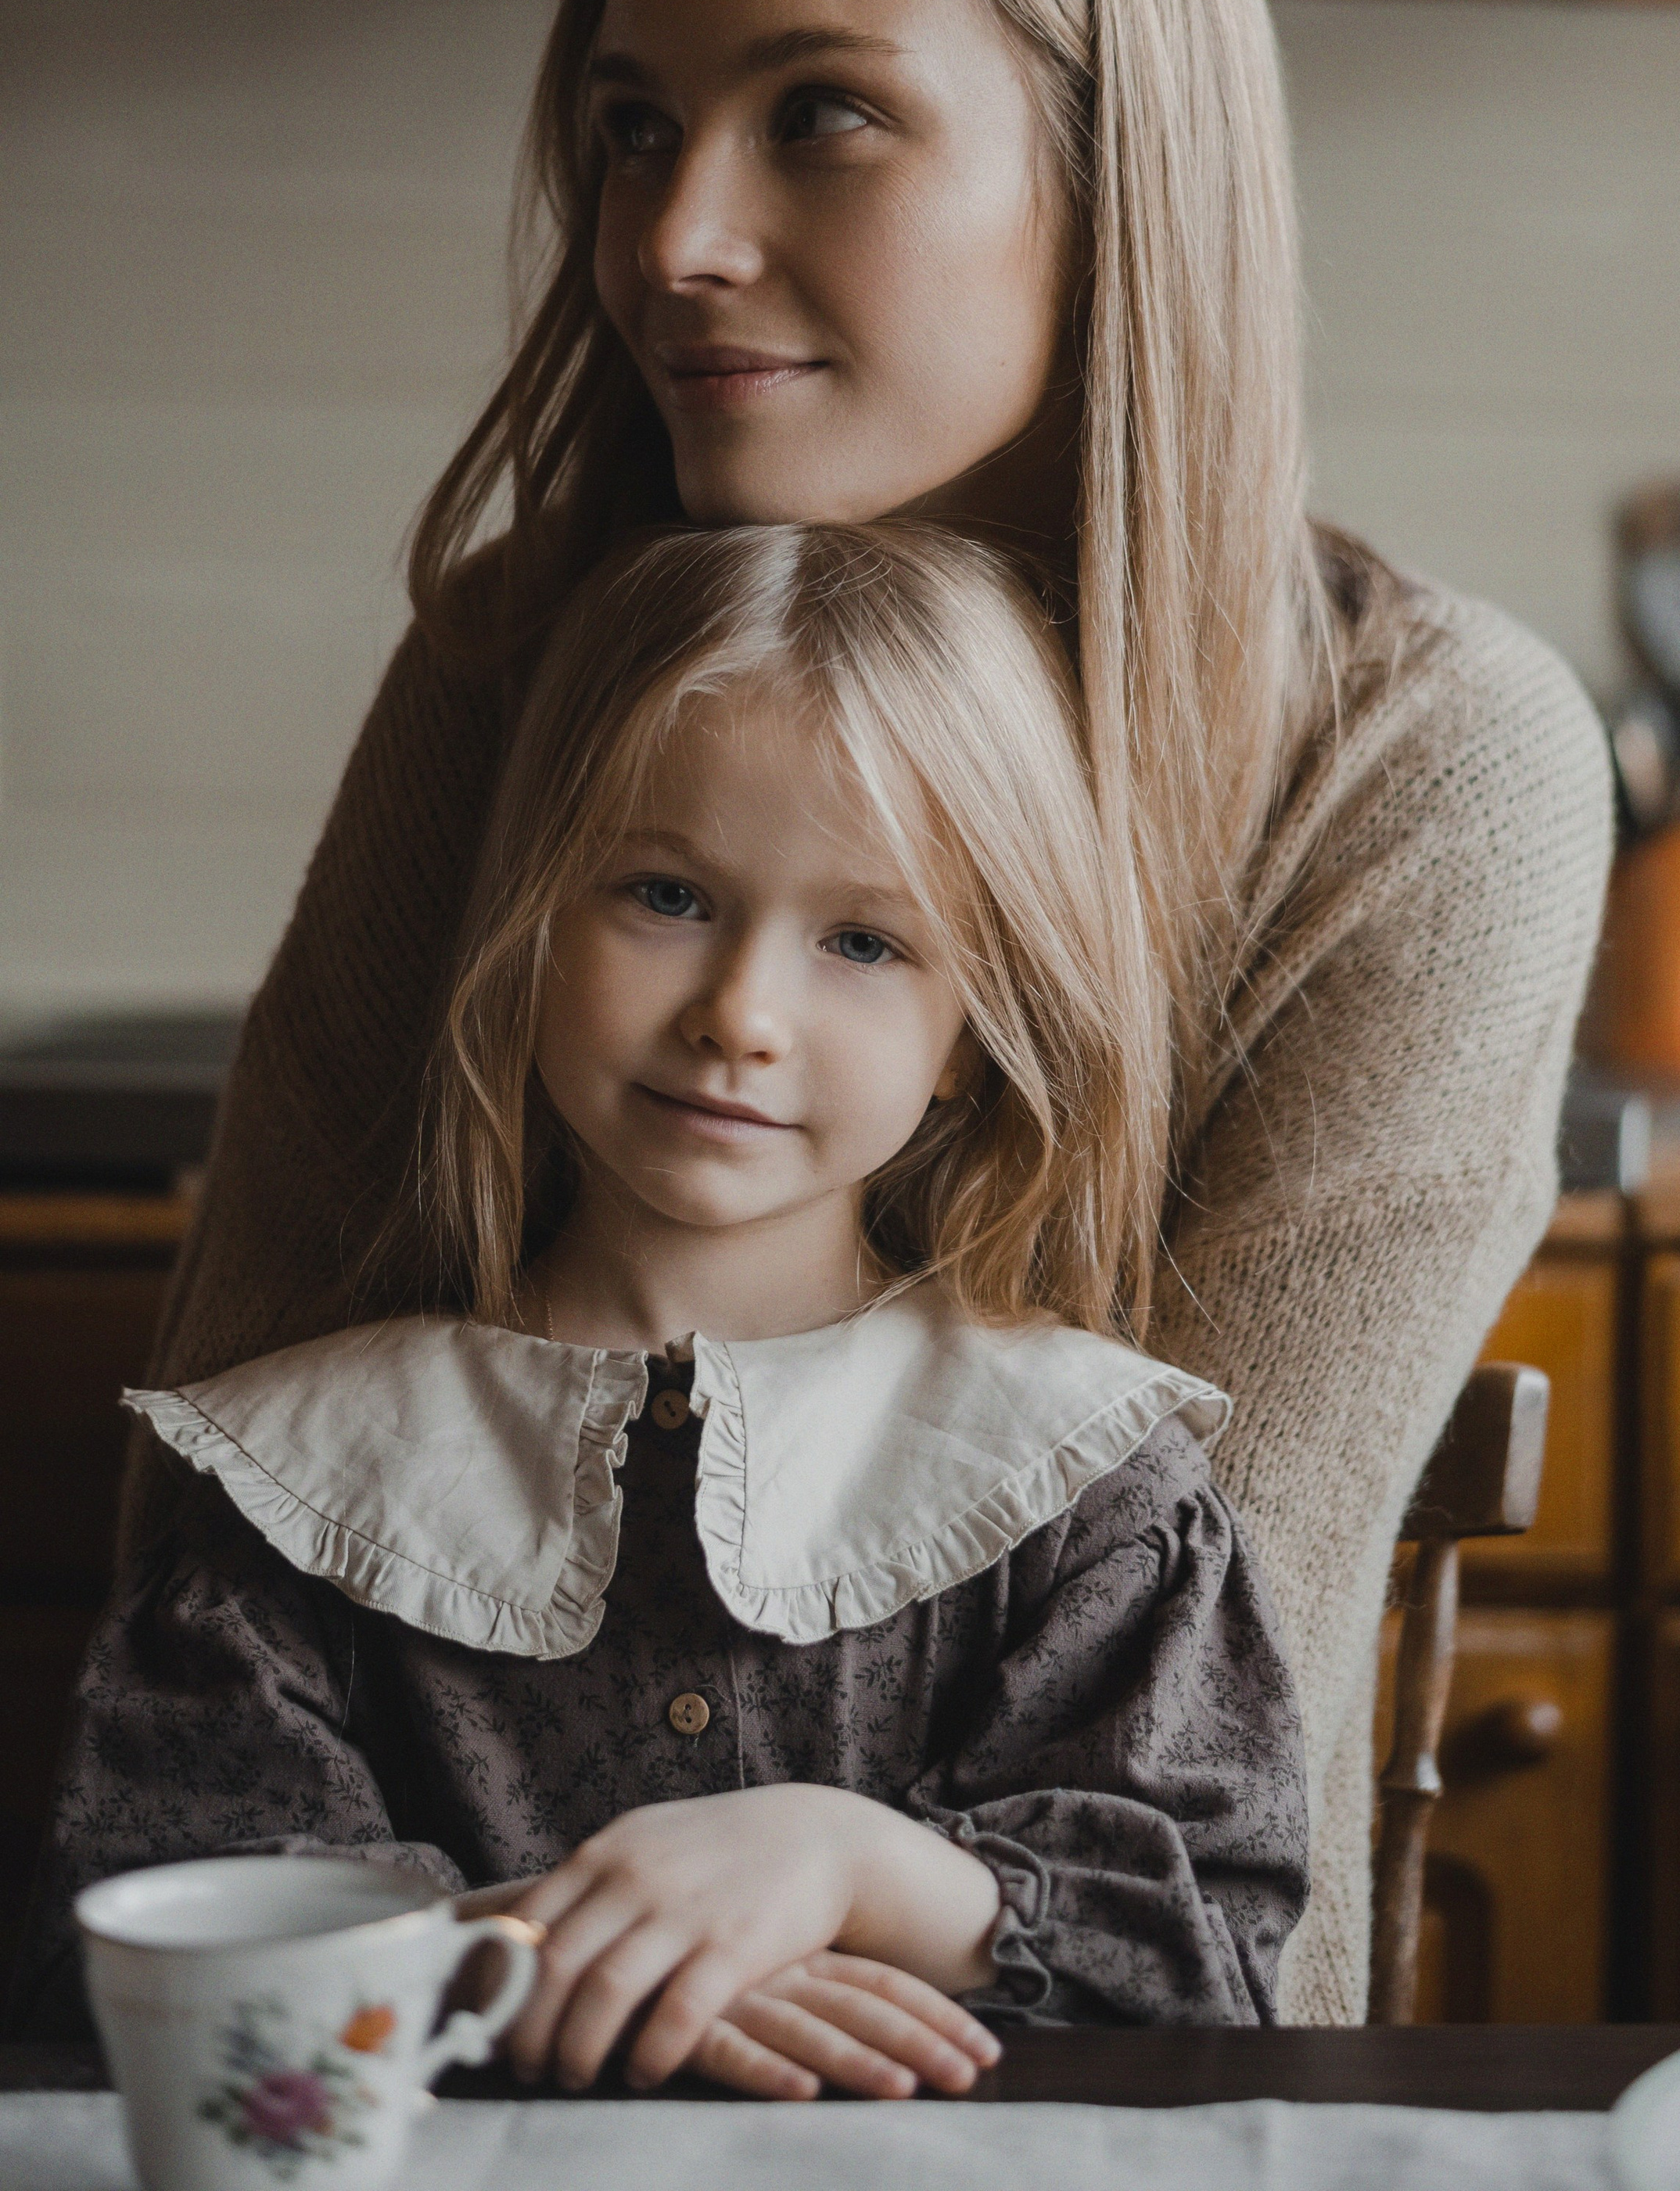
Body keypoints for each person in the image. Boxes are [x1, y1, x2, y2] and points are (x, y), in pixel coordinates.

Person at [121, 0, 1613, 2025]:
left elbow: (1231, 1720)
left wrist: (828, 1906)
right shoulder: (520, 658)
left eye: (820, 113)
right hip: (464, 2061)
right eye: (631, 128)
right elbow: (251, 1441)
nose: (675, 239)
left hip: (1053, 2064)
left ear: (1121, 171)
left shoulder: (1429, 764)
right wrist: (526, 1982)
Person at [21, 526, 1308, 2092]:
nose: (739, 1016)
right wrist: (565, 1958)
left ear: (972, 1031)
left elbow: (1204, 1961)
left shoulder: (1080, 1477)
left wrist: (839, 1861)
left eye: (861, 940)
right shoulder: (304, 1486)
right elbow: (146, 1947)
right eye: (663, 892)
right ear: (531, 922)